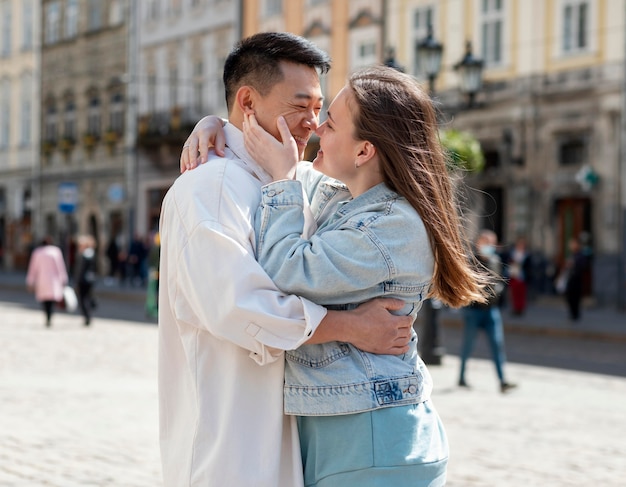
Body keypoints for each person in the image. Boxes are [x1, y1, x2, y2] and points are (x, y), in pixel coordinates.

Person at [185, 65, 493, 486]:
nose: (315, 132)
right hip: (351, 436)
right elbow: (289, 168)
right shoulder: (344, 195)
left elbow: (286, 269)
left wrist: (282, 179)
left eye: (328, 123)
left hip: (372, 442)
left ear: (364, 151)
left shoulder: (391, 226)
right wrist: (220, 125)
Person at [159, 32, 413, 487]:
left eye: (320, 110)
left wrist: (220, 123)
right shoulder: (211, 188)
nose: (313, 124)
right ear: (249, 102)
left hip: (292, 442)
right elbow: (239, 306)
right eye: (301, 106)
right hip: (233, 447)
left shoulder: (287, 178)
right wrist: (354, 327)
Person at [459, 229, 517, 394]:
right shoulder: (471, 261)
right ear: (478, 243)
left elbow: (500, 282)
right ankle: (462, 377)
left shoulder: (496, 261)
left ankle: (502, 381)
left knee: (497, 345)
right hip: (474, 311)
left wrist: (497, 291)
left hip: (491, 310)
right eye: (485, 242)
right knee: (468, 346)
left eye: (491, 243)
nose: (488, 246)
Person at [26, 236, 69, 327]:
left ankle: (47, 316)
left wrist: (30, 281)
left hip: (42, 279)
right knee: (51, 299)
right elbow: (60, 266)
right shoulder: (55, 252)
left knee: (45, 300)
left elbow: (33, 268)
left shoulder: (37, 252)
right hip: (53, 280)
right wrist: (63, 278)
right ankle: (50, 316)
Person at [563, 236, 589, 321]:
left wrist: (574, 265)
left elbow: (584, 265)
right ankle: (573, 313)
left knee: (575, 297)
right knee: (569, 296)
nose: (571, 246)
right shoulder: (572, 254)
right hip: (570, 277)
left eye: (573, 244)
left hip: (576, 278)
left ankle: (575, 314)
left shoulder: (580, 255)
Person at [75, 234, 98, 326]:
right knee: (87, 297)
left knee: (83, 298)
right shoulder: (92, 253)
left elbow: (81, 269)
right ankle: (88, 315)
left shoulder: (85, 255)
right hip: (90, 278)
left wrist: (77, 281)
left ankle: (87, 316)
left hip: (84, 280)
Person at [506, 236, 531, 315]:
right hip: (513, 275)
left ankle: (520, 309)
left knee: (521, 294)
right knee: (514, 293)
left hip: (522, 276)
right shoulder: (512, 253)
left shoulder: (526, 254)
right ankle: (515, 308)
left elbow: (528, 266)